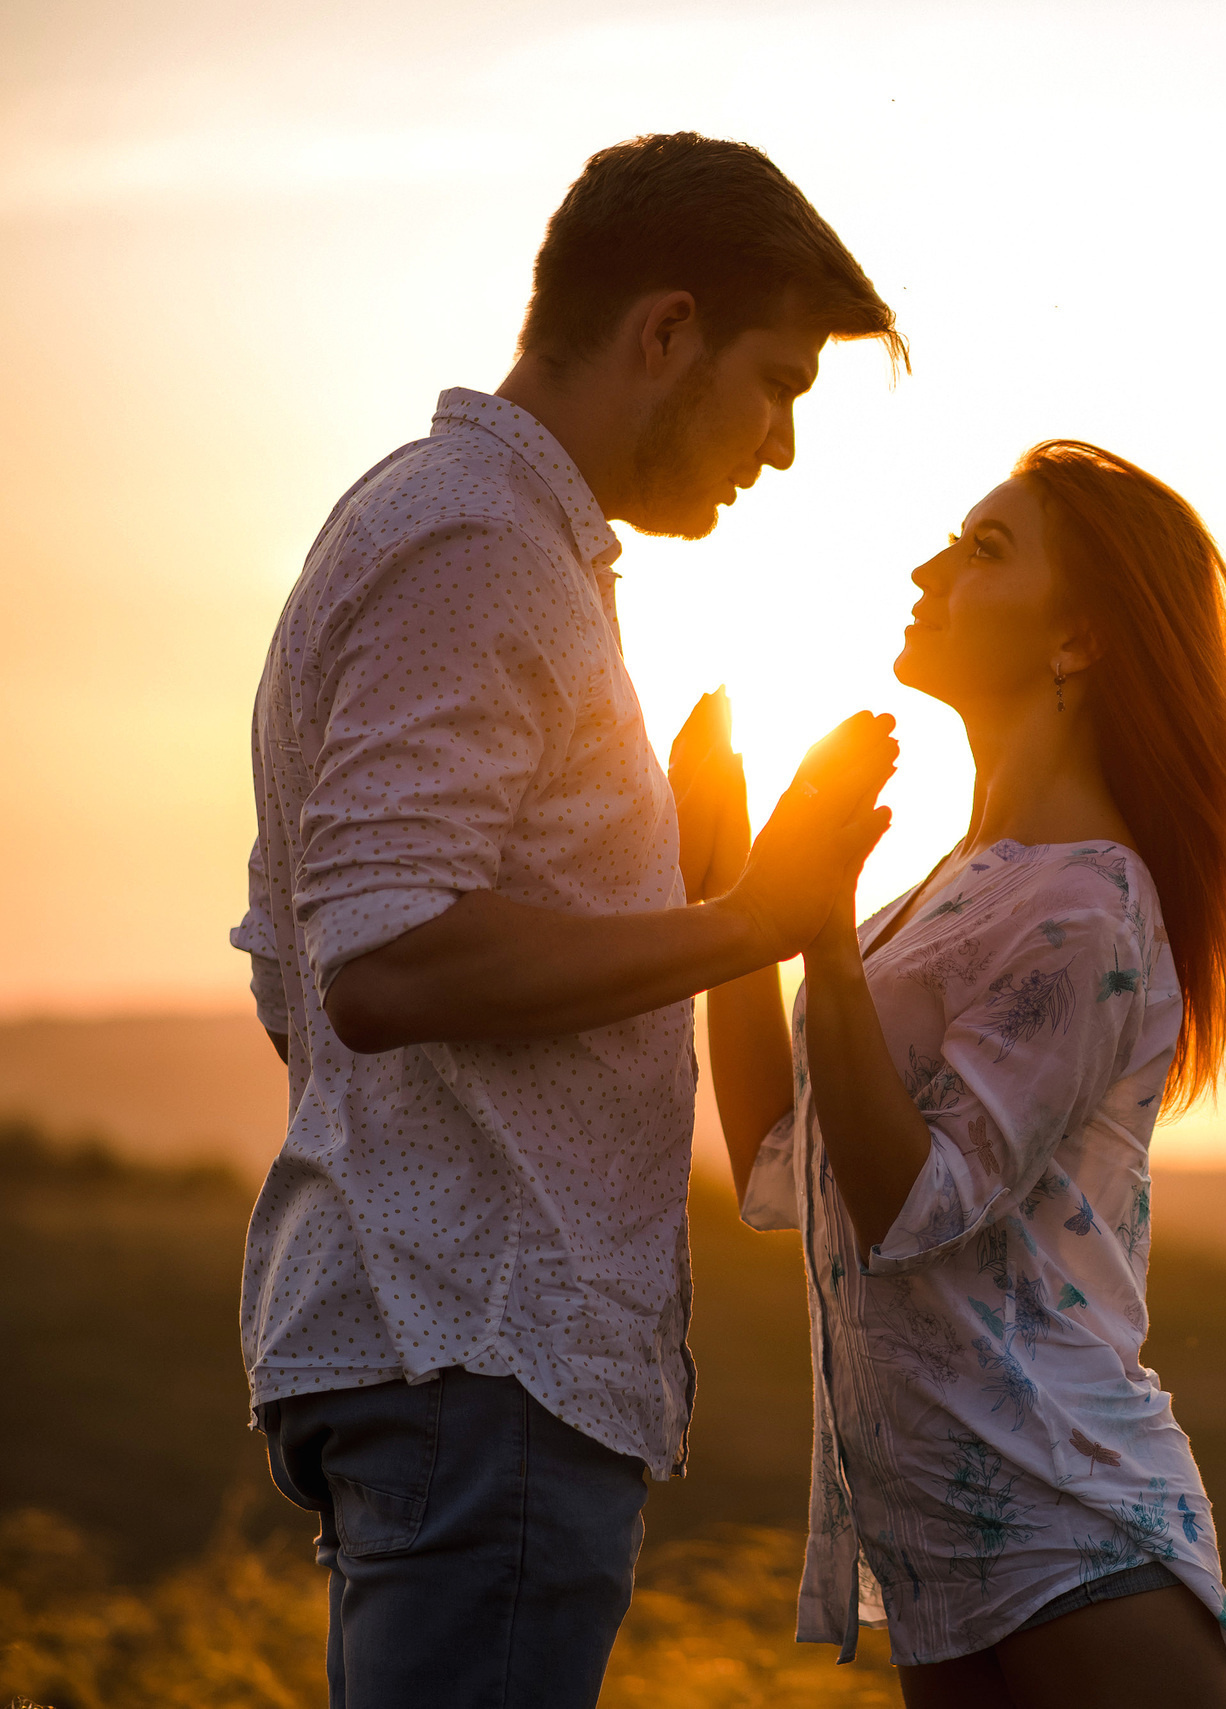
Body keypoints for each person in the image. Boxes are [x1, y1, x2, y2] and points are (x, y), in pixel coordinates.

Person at [230, 132, 907, 1709]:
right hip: (483, 1364)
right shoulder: (479, 548)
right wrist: (751, 917)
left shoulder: (460, 530)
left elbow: (301, 961)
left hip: (442, 1360)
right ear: (663, 331)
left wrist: (677, 859)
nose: (785, 446)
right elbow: (382, 960)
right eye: (779, 383)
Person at [686, 440, 1226, 1708]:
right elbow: (777, 1164)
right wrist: (730, 882)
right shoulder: (944, 897)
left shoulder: (1085, 903)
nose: (930, 568)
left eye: (985, 550)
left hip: (1069, 1527)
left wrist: (815, 917)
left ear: (1078, 642)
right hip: (945, 1561)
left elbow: (917, 1205)